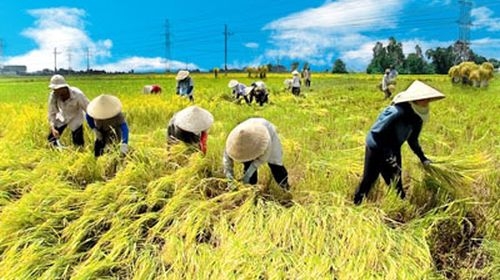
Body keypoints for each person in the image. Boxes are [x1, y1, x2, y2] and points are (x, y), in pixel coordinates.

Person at [353, 80, 446, 205]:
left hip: (393, 148)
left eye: (428, 99)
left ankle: (401, 204)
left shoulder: (417, 119)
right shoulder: (396, 112)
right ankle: (357, 203)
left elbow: (413, 140)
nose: (427, 102)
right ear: (415, 99)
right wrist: (387, 154)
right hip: (376, 147)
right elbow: (376, 132)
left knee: (396, 179)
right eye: (424, 98)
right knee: (370, 179)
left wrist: (423, 158)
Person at [223, 118, 290, 190]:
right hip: (247, 129)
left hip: (264, 133)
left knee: (275, 165)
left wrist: (248, 175)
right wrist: (230, 178)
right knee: (248, 163)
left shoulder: (266, 140)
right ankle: (251, 188)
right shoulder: (232, 142)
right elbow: (227, 161)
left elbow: (261, 159)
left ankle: (285, 187)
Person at [47, 74, 90, 148]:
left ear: (64, 87)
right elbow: (52, 113)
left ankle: (78, 154)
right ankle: (58, 153)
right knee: (51, 140)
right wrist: (53, 128)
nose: (55, 91)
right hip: (62, 116)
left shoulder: (77, 94)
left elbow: (88, 108)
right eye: (54, 89)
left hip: (76, 117)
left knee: (78, 143)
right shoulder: (53, 95)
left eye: (57, 89)